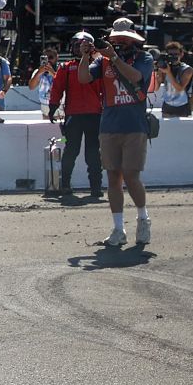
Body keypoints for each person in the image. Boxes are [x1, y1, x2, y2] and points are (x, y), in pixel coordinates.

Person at [87, 17, 155, 248]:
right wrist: (86, 56)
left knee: (131, 175)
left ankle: (143, 218)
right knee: (113, 177)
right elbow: (84, 77)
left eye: (124, 39)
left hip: (134, 125)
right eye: (116, 39)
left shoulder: (144, 58)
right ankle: (118, 228)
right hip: (109, 126)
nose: (119, 43)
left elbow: (136, 77)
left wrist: (114, 58)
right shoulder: (103, 60)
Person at [46, 32, 105, 201]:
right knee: (71, 150)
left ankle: (96, 187)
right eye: (77, 45)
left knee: (93, 153)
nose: (79, 48)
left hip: (94, 115)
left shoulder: (98, 66)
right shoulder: (66, 67)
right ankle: (65, 185)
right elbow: (57, 88)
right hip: (73, 116)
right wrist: (53, 106)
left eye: (83, 45)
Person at [150, 45, 193, 120]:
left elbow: (179, 88)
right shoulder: (164, 67)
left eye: (176, 54)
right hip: (167, 104)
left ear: (181, 54)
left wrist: (168, 72)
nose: (173, 57)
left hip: (183, 105)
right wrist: (155, 71)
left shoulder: (187, 69)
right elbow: (156, 88)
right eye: (170, 54)